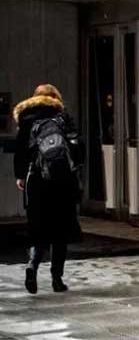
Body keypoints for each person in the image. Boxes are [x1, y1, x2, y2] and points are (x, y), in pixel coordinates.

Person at [13, 84, 83, 294]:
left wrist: (20, 175)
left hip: (36, 179)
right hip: (62, 181)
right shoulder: (63, 117)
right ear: (55, 98)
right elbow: (77, 147)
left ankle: (32, 267)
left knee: (37, 228)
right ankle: (56, 280)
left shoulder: (27, 119)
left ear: (34, 98)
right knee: (60, 230)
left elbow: (20, 150)